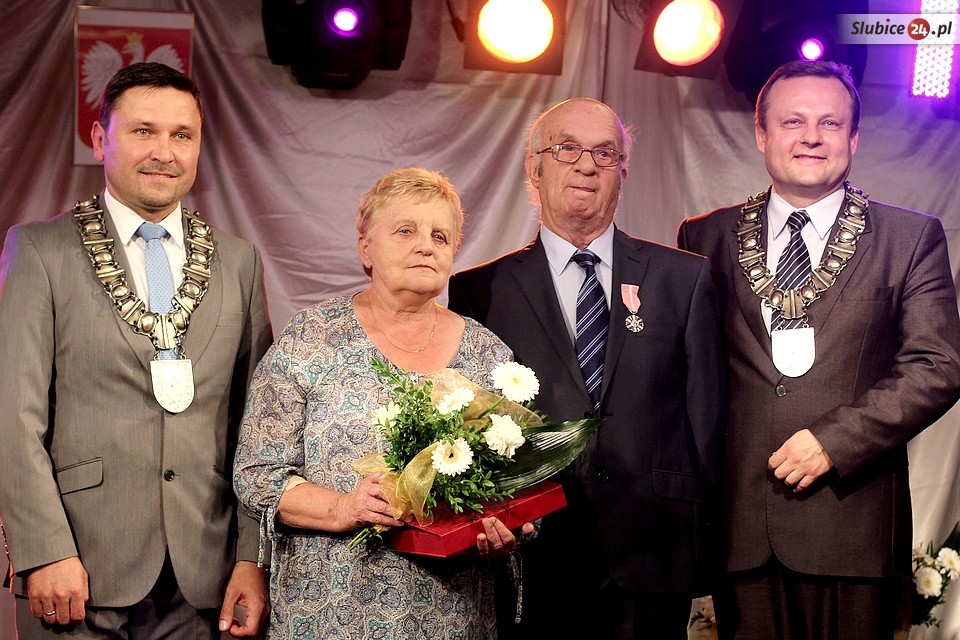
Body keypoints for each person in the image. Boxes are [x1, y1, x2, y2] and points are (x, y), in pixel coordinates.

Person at [677, 60, 960, 640]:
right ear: (761, 134)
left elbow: (938, 365)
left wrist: (834, 442)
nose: (811, 136)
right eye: (793, 121)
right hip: (742, 528)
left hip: (852, 525)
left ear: (853, 139)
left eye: (830, 123)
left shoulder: (910, 238)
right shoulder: (703, 237)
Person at [0, 62, 272, 639]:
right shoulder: (39, 251)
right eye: (143, 131)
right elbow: (11, 416)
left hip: (205, 576)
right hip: (77, 569)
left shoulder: (239, 261)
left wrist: (252, 558)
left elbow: (260, 429)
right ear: (101, 139)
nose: (164, 153)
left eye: (182, 135)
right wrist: (44, 549)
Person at [447, 98, 727, 639]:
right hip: (532, 557)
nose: (586, 165)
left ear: (623, 172)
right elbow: (468, 430)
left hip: (655, 553)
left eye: (605, 153)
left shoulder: (683, 278)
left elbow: (707, 422)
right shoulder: (479, 291)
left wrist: (708, 543)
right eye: (567, 149)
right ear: (534, 168)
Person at [233, 167, 534, 639]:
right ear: (366, 249)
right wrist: (343, 508)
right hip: (326, 613)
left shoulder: (488, 354)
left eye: (440, 235)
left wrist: (508, 529)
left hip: (452, 617)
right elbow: (256, 474)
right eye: (405, 231)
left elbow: (518, 483)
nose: (426, 246)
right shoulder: (310, 338)